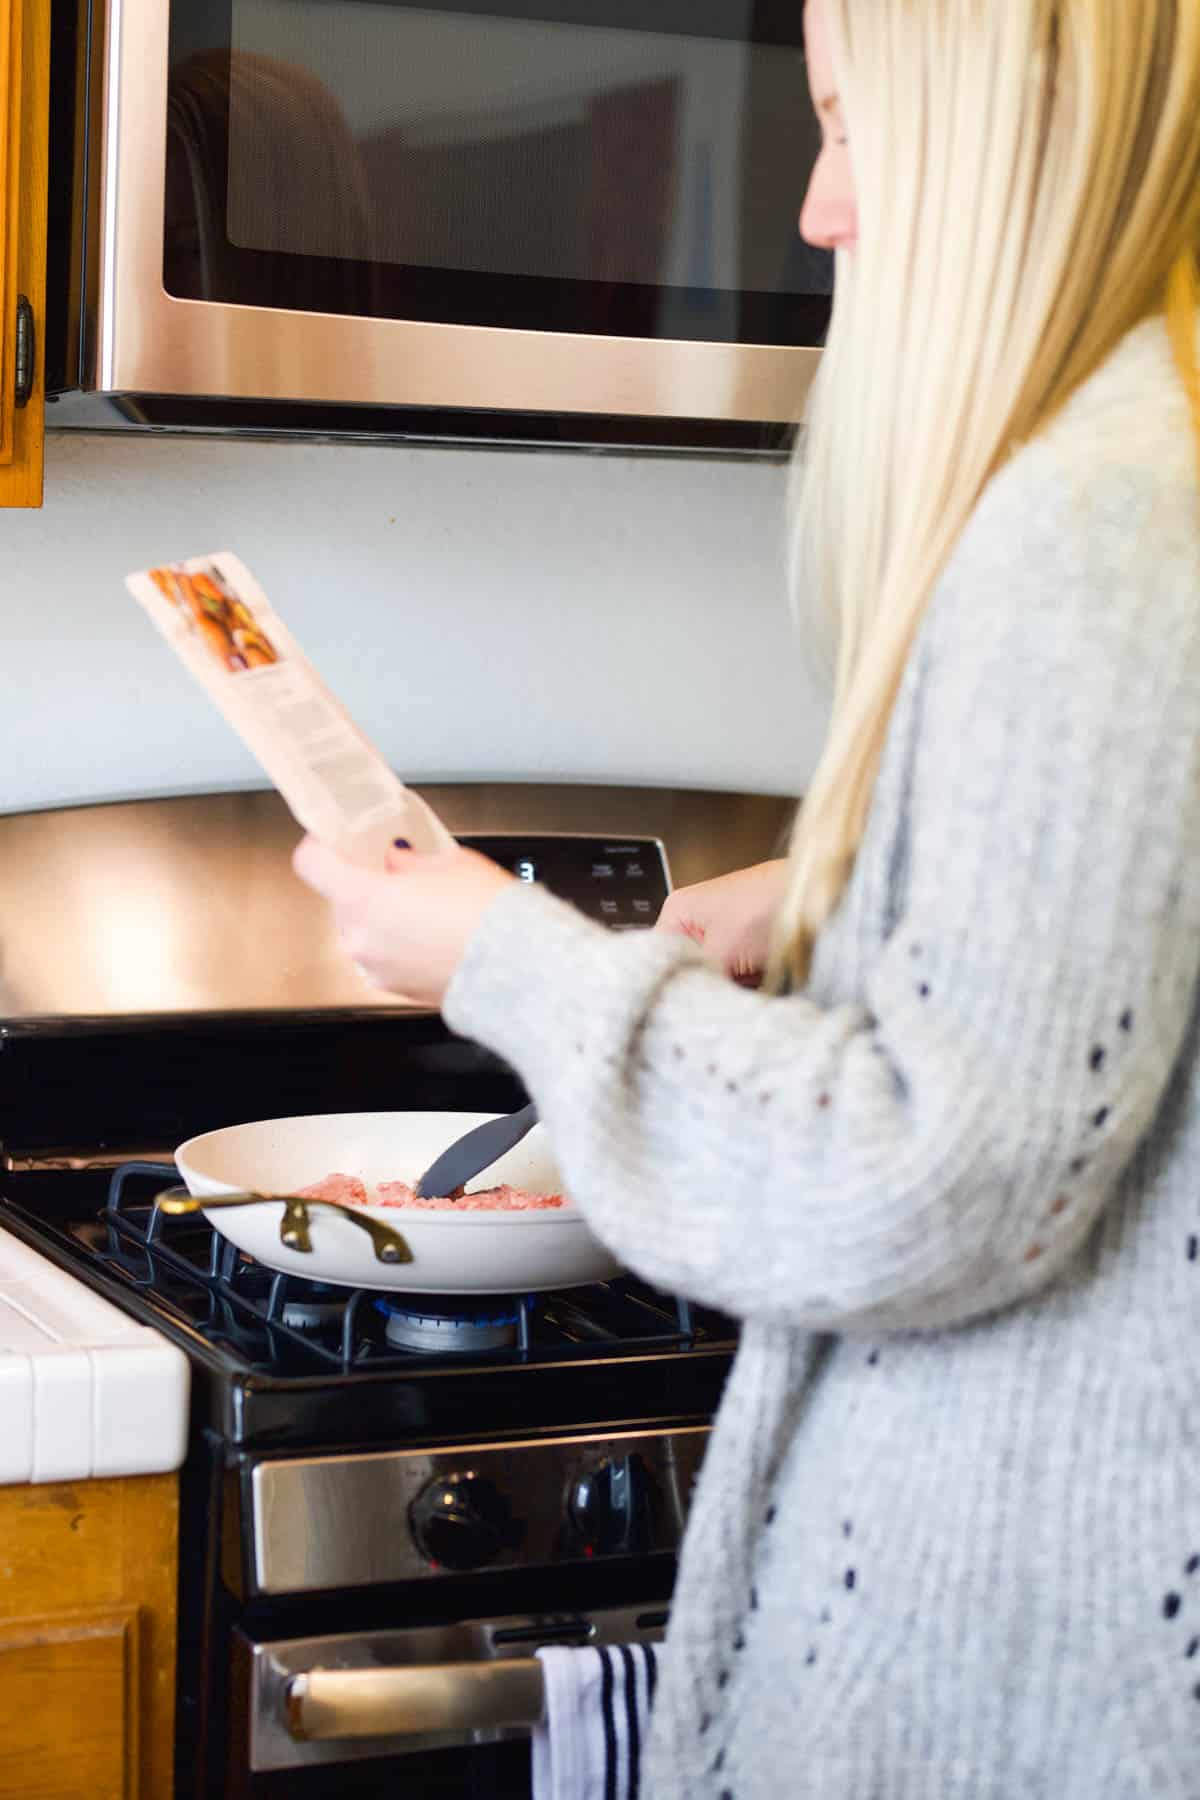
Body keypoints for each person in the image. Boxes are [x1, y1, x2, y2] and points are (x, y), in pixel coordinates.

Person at [293, 0, 1200, 1792]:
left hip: (1017, 1678)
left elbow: (919, 1183)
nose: (816, 210)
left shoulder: (1093, 523)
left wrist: (510, 958)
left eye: (850, 126)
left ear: (1001, 136)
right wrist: (838, 891)